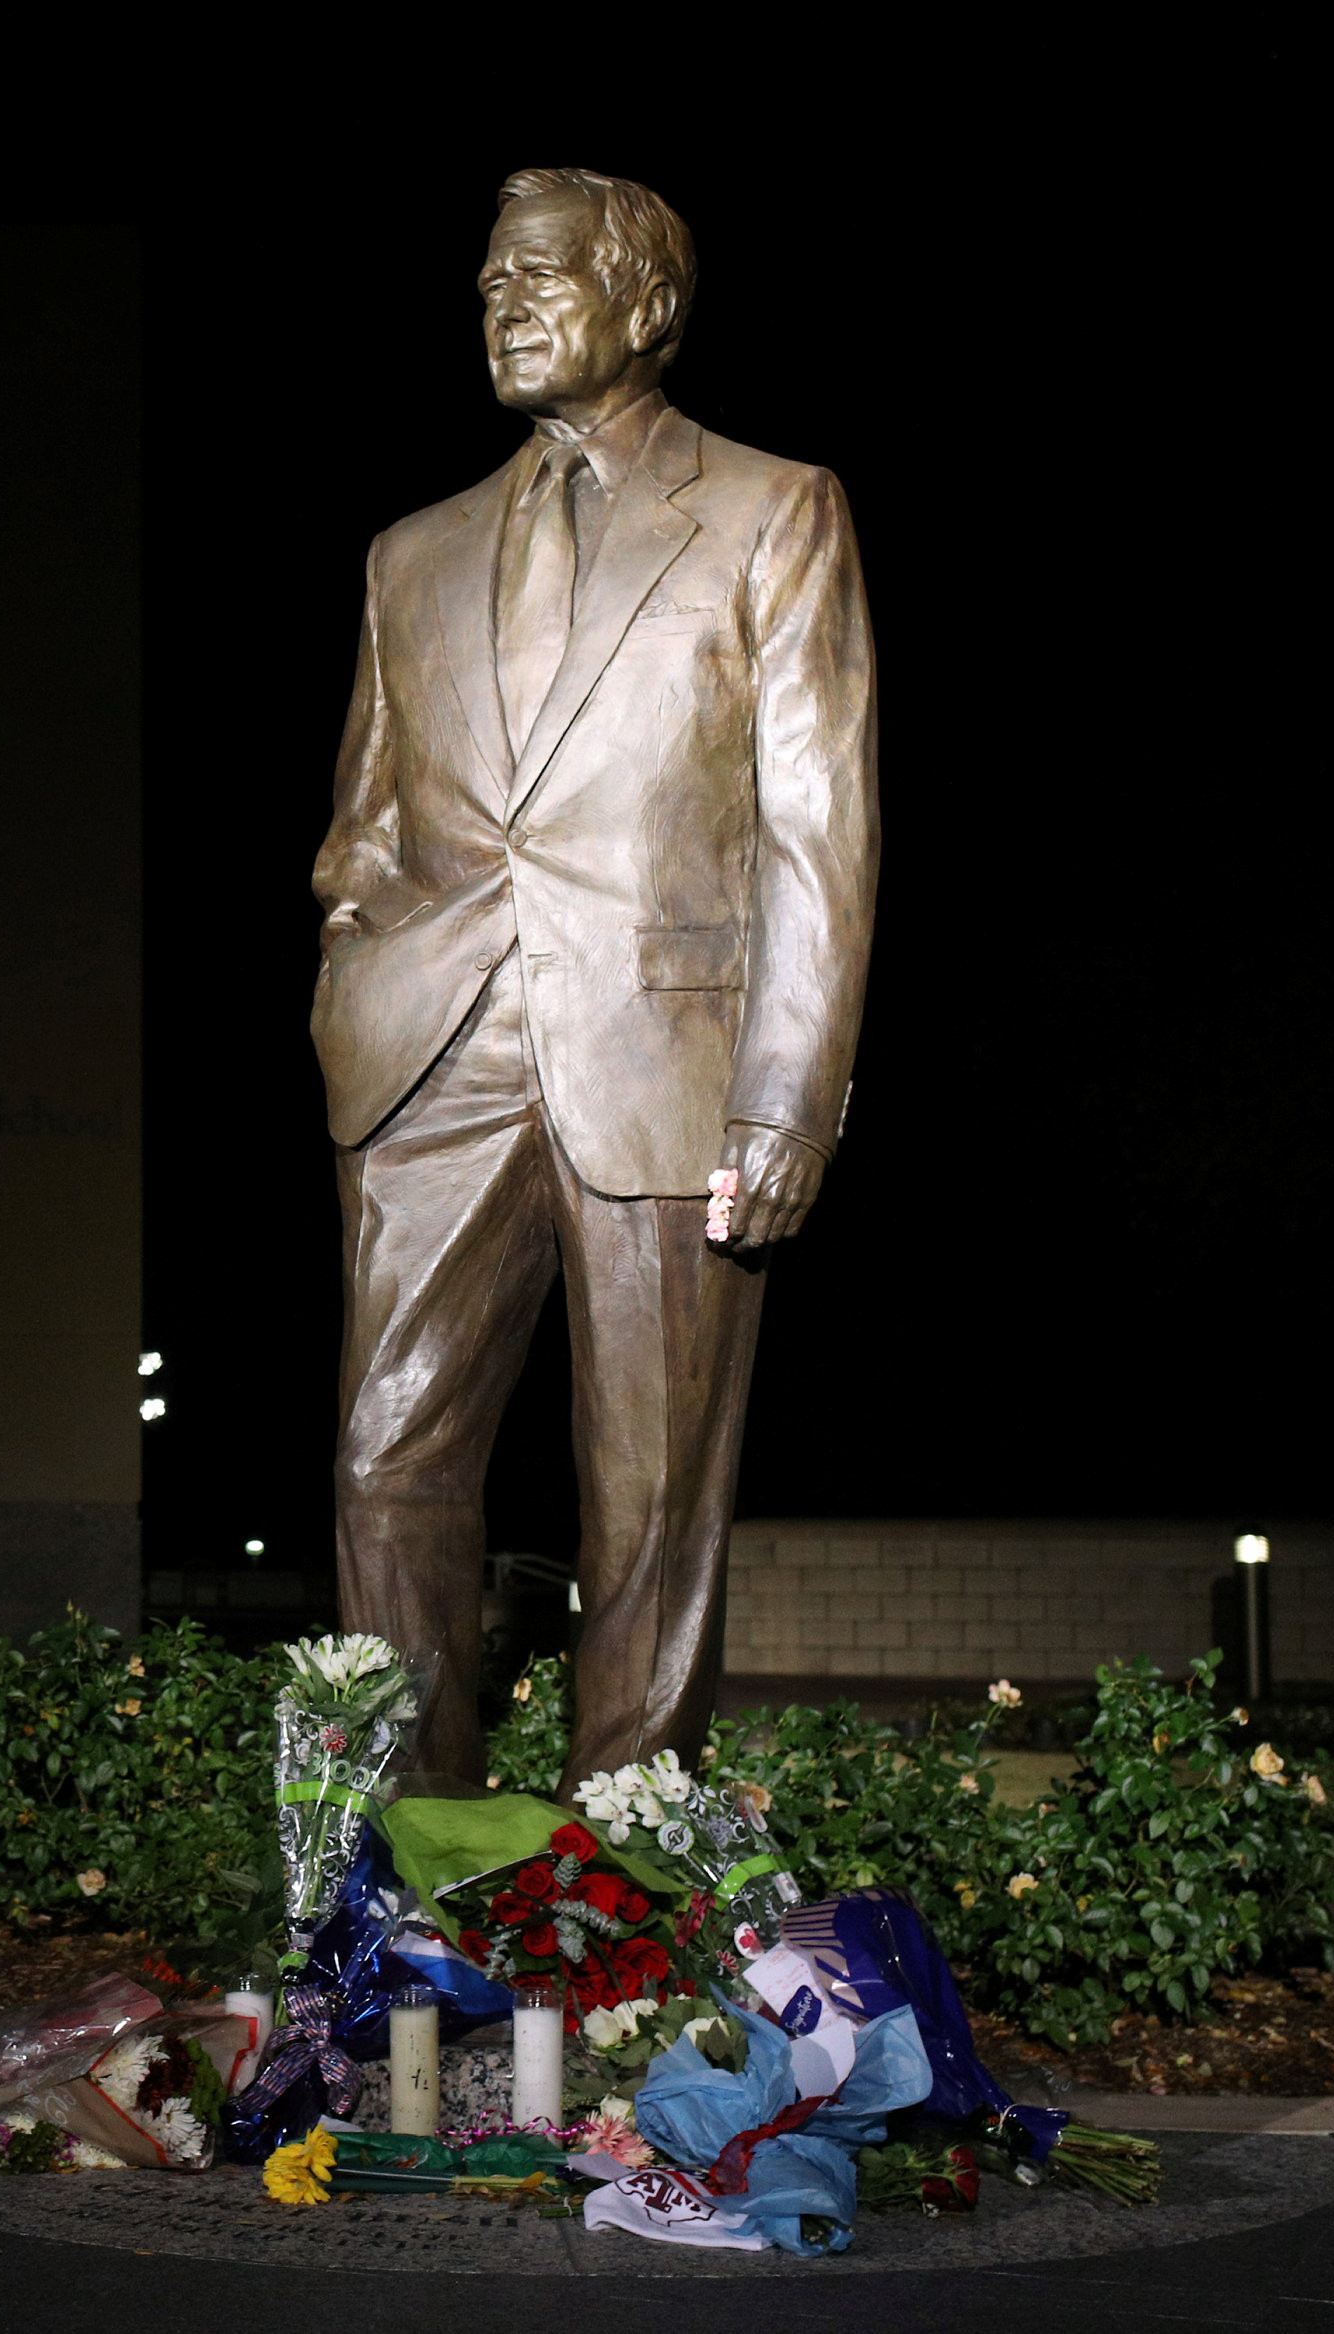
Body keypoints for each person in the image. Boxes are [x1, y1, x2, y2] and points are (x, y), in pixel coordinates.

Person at [312, 167, 880, 1791]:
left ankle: (615, 1880)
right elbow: (359, 830)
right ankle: (404, 1874)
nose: (501, 301)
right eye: (488, 279)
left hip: (669, 1066)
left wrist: (790, 1091)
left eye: (539, 274)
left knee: (648, 1497)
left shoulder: (776, 508)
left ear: (648, 304)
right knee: (384, 1458)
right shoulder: (406, 553)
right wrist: (353, 979)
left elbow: (817, 830)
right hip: (431, 1064)